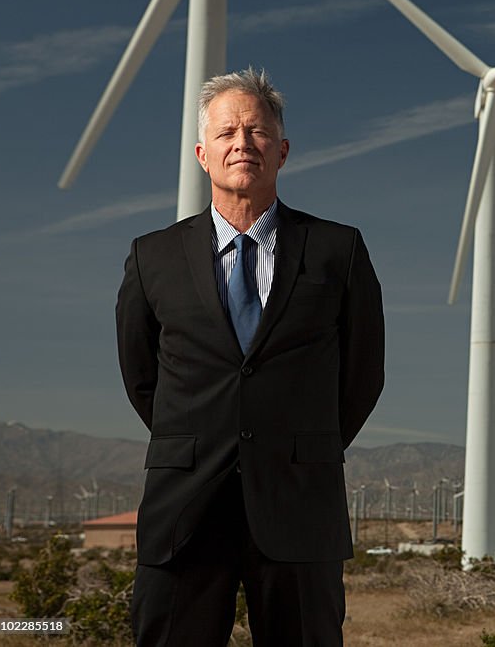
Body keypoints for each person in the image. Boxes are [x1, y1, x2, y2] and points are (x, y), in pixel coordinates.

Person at [116, 67, 384, 646]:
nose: (243, 143)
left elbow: (364, 373)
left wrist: (302, 445)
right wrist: (198, 437)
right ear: (202, 153)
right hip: (184, 512)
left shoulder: (339, 250)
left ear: (282, 150)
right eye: (228, 132)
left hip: (300, 508)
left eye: (258, 132)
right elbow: (142, 377)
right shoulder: (151, 257)